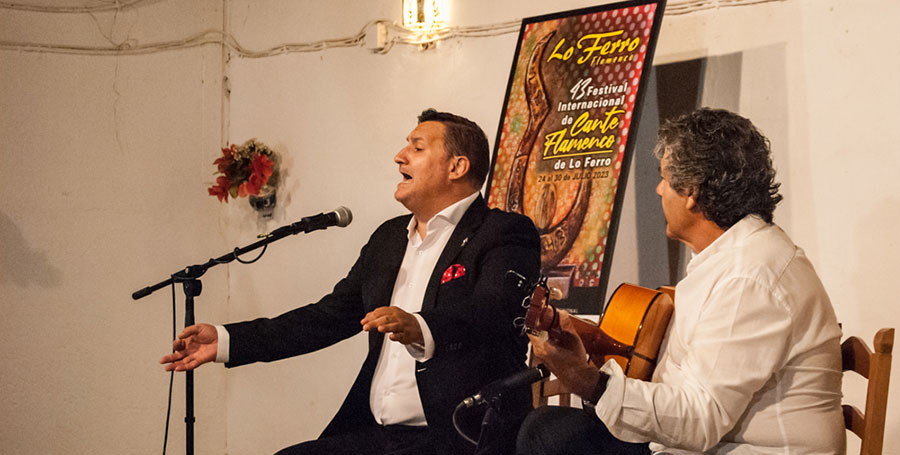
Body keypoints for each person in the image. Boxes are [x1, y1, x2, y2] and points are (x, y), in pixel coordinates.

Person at [160, 109, 541, 454]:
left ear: (457, 167)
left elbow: (493, 312)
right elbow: (327, 317)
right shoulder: (389, 238)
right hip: (375, 434)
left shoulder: (504, 232)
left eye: (417, 147)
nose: (399, 156)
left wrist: (419, 325)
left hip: (460, 434)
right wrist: (229, 340)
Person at [517, 108, 845, 455]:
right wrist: (590, 352)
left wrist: (587, 380)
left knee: (551, 438)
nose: (659, 190)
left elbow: (700, 417)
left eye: (664, 178)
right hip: (708, 444)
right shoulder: (738, 258)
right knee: (550, 430)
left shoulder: (749, 276)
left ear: (691, 191)